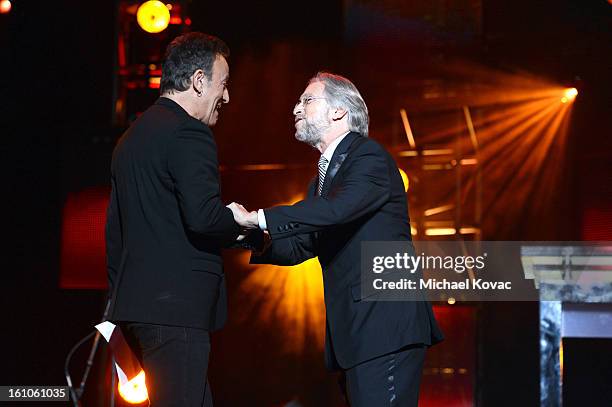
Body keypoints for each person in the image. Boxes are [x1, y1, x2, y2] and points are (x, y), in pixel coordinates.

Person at [228, 72, 443, 406]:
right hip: (359, 335)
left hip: (384, 327)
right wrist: (251, 236)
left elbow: (336, 210)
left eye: (307, 100)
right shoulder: (324, 180)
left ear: (338, 112)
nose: (295, 108)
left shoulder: (368, 156)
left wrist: (258, 216)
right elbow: (303, 244)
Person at [105, 32, 240, 406]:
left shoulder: (130, 139)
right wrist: (239, 222)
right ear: (199, 81)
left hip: (137, 311)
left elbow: (114, 236)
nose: (226, 97)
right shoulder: (189, 132)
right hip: (176, 312)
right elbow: (204, 218)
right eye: (223, 84)